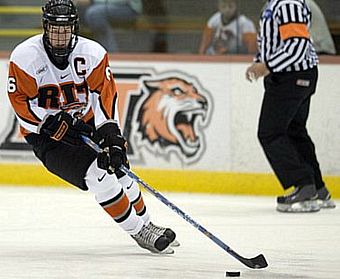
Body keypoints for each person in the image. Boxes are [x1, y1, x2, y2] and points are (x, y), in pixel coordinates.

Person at [7, 0, 179, 253]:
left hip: (84, 124)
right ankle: (139, 231)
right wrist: (49, 122)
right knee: (98, 174)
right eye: (54, 29)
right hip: (47, 137)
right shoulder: (25, 57)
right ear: (45, 27)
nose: (60, 36)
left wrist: (111, 134)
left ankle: (147, 223)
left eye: (65, 29)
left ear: (74, 28)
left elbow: (104, 96)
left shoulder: (92, 53)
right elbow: (20, 102)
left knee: (119, 170)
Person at [245, 0, 335, 213]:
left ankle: (304, 186)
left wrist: (266, 66)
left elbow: (298, 45)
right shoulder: (275, 3)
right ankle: (318, 189)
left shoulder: (287, 3)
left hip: (291, 76)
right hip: (293, 75)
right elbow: (273, 41)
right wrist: (260, 60)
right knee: (294, 131)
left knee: (270, 133)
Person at [78, 0, 143, 52]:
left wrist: (92, 1)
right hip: (97, 6)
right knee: (74, 11)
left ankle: (111, 53)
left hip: (127, 8)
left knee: (94, 13)